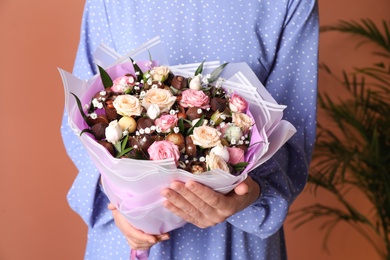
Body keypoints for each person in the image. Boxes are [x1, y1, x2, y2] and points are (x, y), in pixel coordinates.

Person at [61, 0, 319, 259]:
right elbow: (84, 116)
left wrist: (249, 196)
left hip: (233, 239)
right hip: (128, 236)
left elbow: (294, 129)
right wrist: (117, 207)